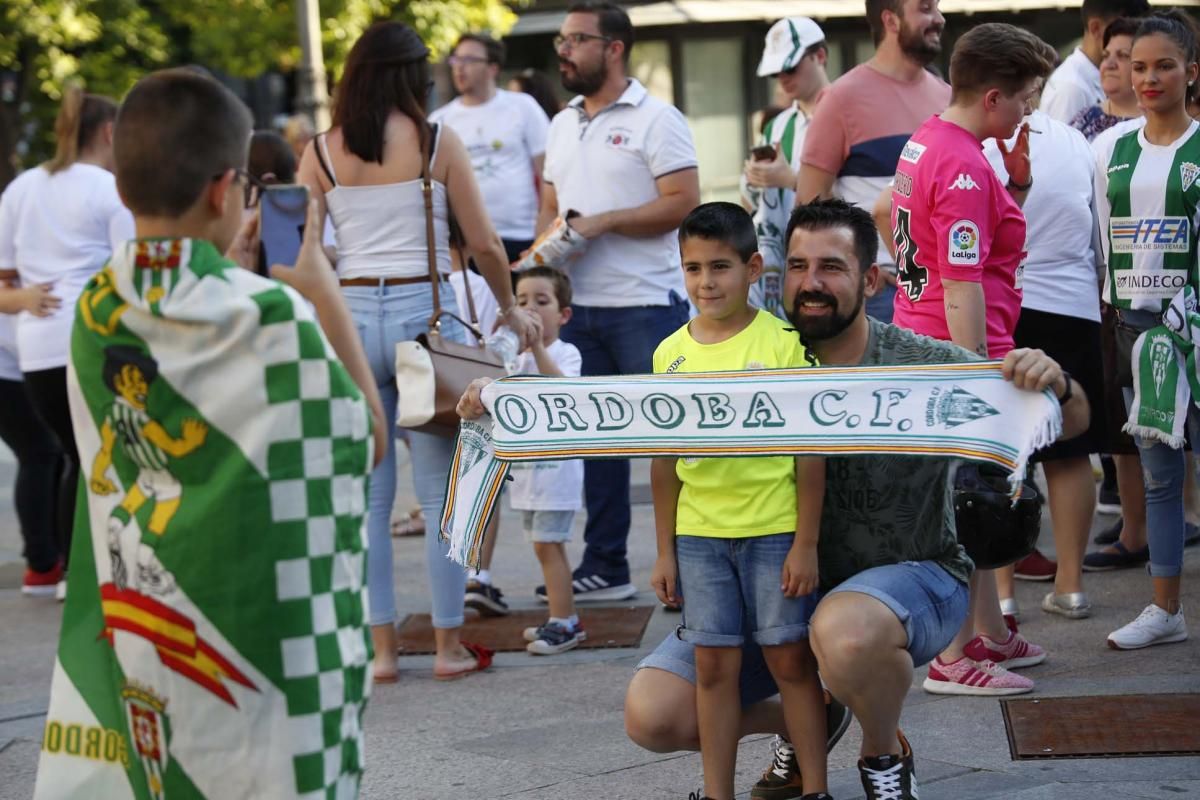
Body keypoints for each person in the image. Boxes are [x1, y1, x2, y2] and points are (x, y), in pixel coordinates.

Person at [597, 199, 1090, 800]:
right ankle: (810, 718)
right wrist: (497, 400)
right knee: (654, 714)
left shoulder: (920, 361)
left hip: (906, 583)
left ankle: (883, 752)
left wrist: (1054, 381)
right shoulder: (760, 354)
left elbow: (1066, 420)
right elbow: (637, 434)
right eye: (799, 266)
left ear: (870, 279)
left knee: (846, 631)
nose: (811, 283)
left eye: (831, 267)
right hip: (768, 586)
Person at [34, 67, 385, 800]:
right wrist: (316, 283)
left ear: (123, 186)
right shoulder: (269, 315)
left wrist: (227, 265)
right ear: (227, 191)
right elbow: (364, 437)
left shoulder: (97, 312)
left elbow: (175, 333)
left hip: (147, 631)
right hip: (265, 643)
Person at [297, 21, 535, 682]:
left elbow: (298, 246)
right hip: (421, 323)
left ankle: (380, 655)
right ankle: (446, 648)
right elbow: (485, 244)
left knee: (370, 502)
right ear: (411, 75)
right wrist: (510, 304)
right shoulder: (436, 142)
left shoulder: (317, 152)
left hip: (347, 320)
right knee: (437, 498)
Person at [888, 22, 1056, 695]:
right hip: (953, 354)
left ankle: (984, 630)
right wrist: (975, 379)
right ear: (993, 96)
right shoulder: (958, 161)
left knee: (981, 496)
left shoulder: (929, 137)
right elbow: (960, 282)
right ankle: (953, 655)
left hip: (924, 339)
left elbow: (887, 213)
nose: (1029, 113)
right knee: (969, 501)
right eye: (1025, 99)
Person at [646, 203, 826, 800]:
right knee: (712, 668)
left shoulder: (781, 343)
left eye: (719, 267)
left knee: (791, 662)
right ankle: (717, 794)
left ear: (753, 268)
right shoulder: (668, 354)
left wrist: (805, 542)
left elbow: (809, 451)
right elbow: (664, 461)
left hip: (775, 530)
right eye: (692, 268)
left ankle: (816, 789)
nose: (705, 282)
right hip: (699, 537)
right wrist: (664, 550)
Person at [538, 1, 699, 603]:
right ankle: (605, 564)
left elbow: (684, 202)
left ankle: (689, 565)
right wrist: (539, 280)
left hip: (646, 305)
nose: (564, 50)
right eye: (562, 39)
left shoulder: (659, 118)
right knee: (596, 445)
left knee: (672, 442)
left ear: (614, 48)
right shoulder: (561, 122)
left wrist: (605, 222)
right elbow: (547, 214)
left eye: (577, 39)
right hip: (580, 307)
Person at [1093, 11, 1200, 649]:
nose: (1149, 78)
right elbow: (1099, 242)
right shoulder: (1110, 149)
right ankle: (1165, 610)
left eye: (1164, 65)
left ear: (1192, 72)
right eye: (1139, 67)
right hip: (1134, 329)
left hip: (1195, 331)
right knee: (1159, 473)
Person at [0, 86, 133, 600]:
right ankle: (86, 570)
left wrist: (30, 296)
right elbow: (130, 272)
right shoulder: (107, 189)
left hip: (35, 350)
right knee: (96, 456)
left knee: (73, 455)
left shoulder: (20, 189)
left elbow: (6, 282)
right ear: (107, 132)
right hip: (93, 339)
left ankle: (62, 570)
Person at [982, 107, 1106, 619]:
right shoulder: (1075, 141)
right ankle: (1071, 586)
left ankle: (1004, 594)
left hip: (1006, 302)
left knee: (1004, 453)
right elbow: (1098, 228)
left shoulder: (976, 141)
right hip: (1073, 303)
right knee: (1072, 451)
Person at [796, 0, 951, 325]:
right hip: (877, 295)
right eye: (925, 9)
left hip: (947, 290)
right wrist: (859, 270)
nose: (939, 18)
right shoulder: (841, 99)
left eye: (937, 8)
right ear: (890, 21)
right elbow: (810, 207)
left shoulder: (946, 97)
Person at [504, 266, 586, 654]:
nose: (531, 309)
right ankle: (559, 614)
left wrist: (536, 347)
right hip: (527, 476)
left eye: (542, 301)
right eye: (522, 302)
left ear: (563, 314)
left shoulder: (565, 352)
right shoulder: (515, 356)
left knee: (549, 544)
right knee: (541, 546)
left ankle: (565, 622)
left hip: (556, 475)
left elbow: (562, 392)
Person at [430, 33, 551, 262]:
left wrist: (543, 233)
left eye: (469, 60)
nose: (459, 68)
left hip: (520, 235)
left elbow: (547, 172)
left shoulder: (522, 106)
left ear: (493, 68)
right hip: (463, 243)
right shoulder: (440, 119)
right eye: (456, 60)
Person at [742, 17, 830, 319]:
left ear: (820, 56)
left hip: (835, 261)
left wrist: (790, 180)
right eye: (776, 72)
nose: (783, 78)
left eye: (790, 67)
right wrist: (755, 181)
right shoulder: (779, 125)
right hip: (788, 263)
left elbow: (859, 193)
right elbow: (753, 203)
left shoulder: (847, 114)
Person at [0, 274, 64, 596]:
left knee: (49, 451)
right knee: (40, 452)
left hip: (20, 360)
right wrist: (23, 298)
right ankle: (42, 564)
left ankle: (49, 559)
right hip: (8, 365)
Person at [1041, 0, 1151, 124]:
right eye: (1121, 29)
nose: (1135, 38)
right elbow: (1062, 142)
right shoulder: (1071, 88)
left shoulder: (1092, 77)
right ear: (1096, 28)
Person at [1071, 17, 1144, 140]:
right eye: (1105, 55)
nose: (1109, 64)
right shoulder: (1085, 119)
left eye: (1122, 55)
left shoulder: (1158, 126)